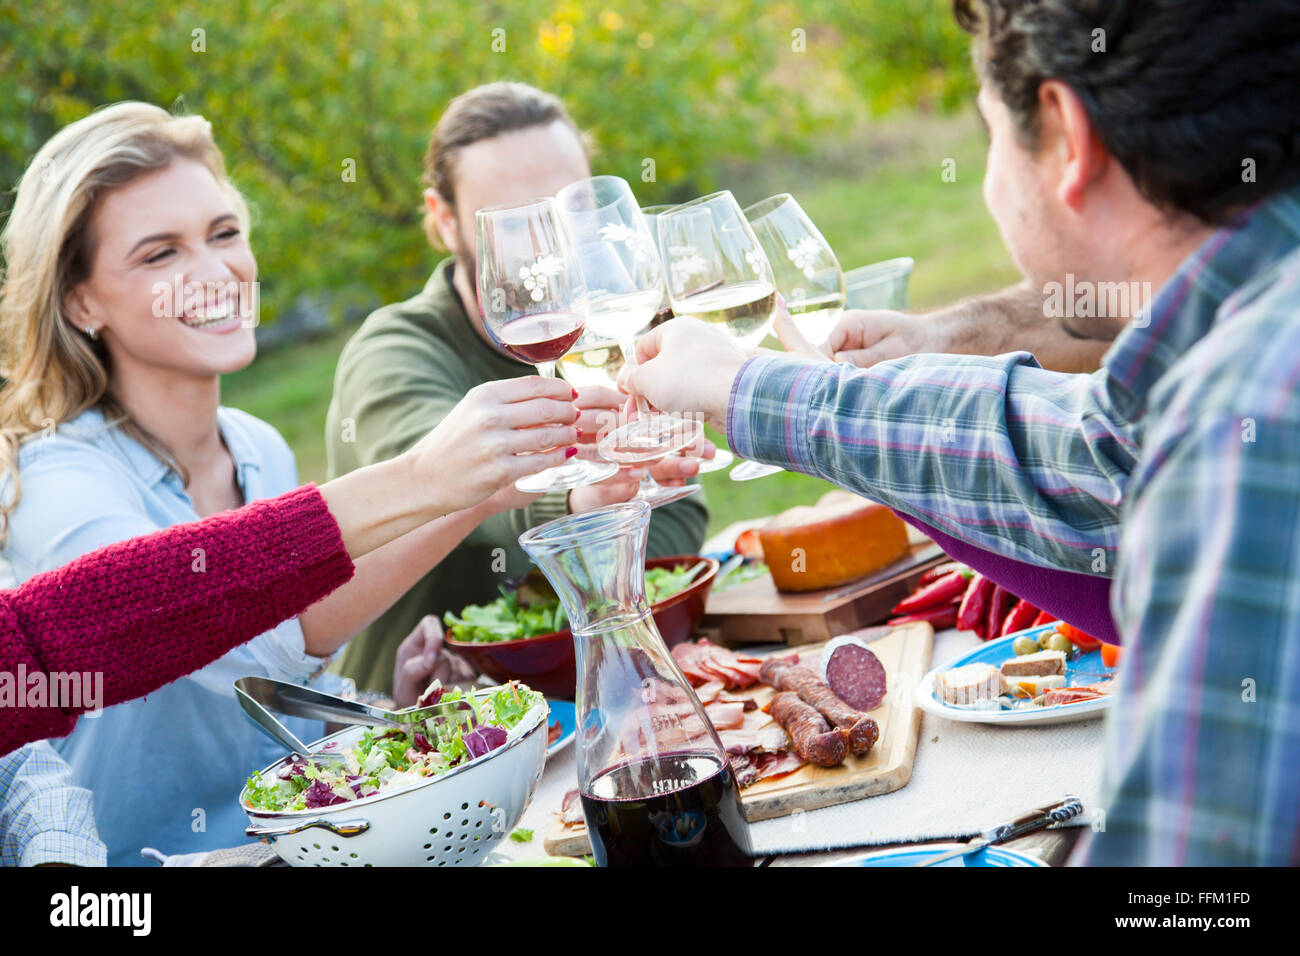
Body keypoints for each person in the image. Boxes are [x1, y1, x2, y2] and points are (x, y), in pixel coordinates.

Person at [620, 0, 1300, 865]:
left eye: (988, 133)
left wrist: (751, 391)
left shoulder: (1252, 410)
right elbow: (1098, 456)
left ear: (1065, 134)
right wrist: (757, 392)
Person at [0, 102, 577, 864]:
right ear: (80, 299)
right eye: (158, 254)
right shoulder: (56, 485)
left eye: (223, 233)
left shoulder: (256, 446)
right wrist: (448, 482)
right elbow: (228, 642)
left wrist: (368, 719)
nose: (214, 273)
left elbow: (255, 715)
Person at [326, 82, 709, 694]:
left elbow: (678, 518)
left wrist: (615, 493)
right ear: (443, 220)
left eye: (566, 210)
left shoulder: (605, 325)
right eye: (518, 217)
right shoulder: (394, 350)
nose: (552, 244)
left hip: (582, 691)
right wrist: (580, 501)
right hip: (420, 723)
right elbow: (450, 479)